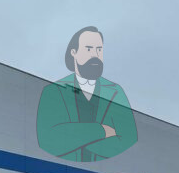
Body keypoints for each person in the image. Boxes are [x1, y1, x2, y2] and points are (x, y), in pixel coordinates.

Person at [36, 26, 138, 162]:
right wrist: (102, 130)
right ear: (74, 52)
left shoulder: (115, 91)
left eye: (99, 50)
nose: (95, 55)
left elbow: (129, 138)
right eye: (89, 49)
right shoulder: (53, 91)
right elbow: (47, 138)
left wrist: (77, 139)